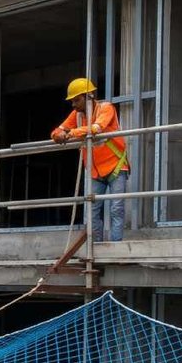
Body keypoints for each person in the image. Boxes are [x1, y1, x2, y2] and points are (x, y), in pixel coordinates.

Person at [52, 78, 130, 242]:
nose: (73, 104)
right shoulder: (77, 115)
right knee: (92, 210)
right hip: (95, 171)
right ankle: (96, 246)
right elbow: (58, 130)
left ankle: (115, 247)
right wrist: (57, 134)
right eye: (72, 101)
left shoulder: (106, 108)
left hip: (115, 165)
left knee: (116, 208)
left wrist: (70, 133)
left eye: (77, 100)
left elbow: (96, 128)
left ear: (89, 96)